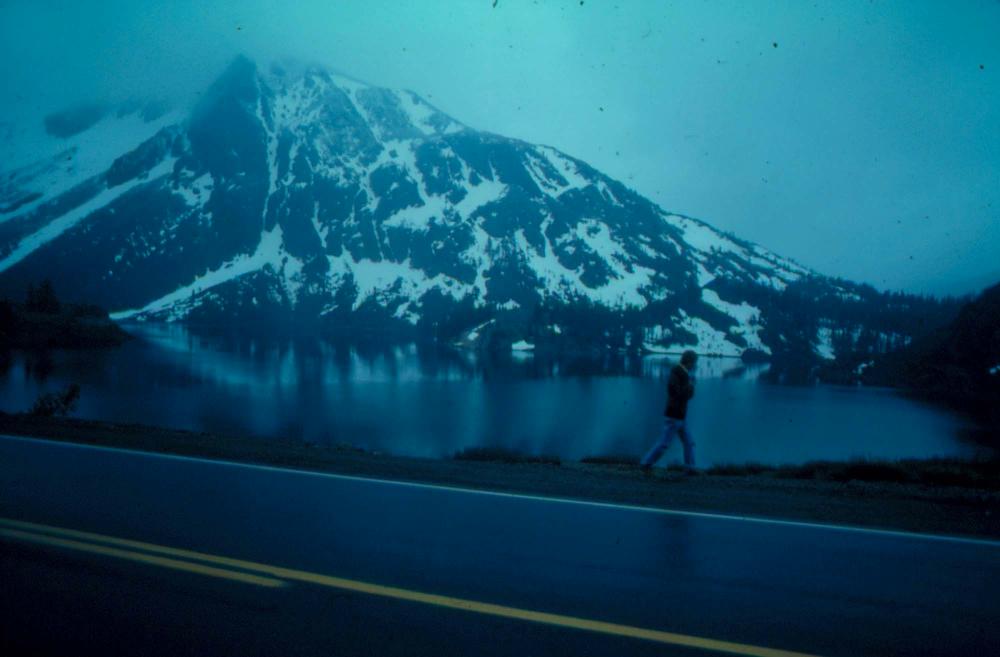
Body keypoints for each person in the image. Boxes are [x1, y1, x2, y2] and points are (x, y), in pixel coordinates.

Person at [641, 350, 698, 473]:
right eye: (694, 362)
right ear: (689, 362)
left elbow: (686, 395)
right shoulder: (676, 372)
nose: (695, 365)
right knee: (664, 443)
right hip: (674, 415)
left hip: (681, 416)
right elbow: (675, 392)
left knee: (689, 442)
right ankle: (646, 463)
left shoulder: (684, 373)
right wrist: (690, 387)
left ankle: (690, 468)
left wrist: (690, 387)